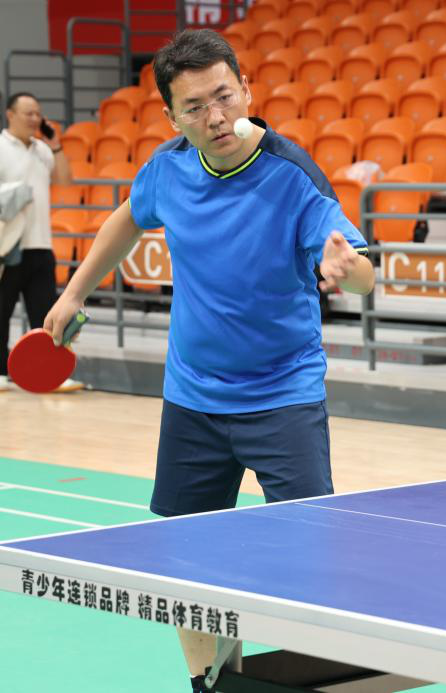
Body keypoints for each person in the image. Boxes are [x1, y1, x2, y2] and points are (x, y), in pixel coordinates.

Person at [42, 30, 374, 692]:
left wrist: (348, 269)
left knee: (310, 554)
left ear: (246, 89)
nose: (215, 116)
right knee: (188, 559)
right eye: (194, 107)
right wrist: (74, 291)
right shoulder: (167, 168)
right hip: (193, 397)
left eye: (224, 96)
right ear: (172, 117)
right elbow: (127, 218)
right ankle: (209, 682)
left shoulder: (291, 173)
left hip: (282, 395)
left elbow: (360, 267)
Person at [0, 91, 79, 393]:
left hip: (41, 246)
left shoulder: (43, 150)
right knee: (1, 313)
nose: (35, 119)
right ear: (10, 114)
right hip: (8, 247)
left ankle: (52, 375)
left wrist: (56, 144)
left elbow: (65, 181)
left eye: (37, 113)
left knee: (47, 315)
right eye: (28, 113)